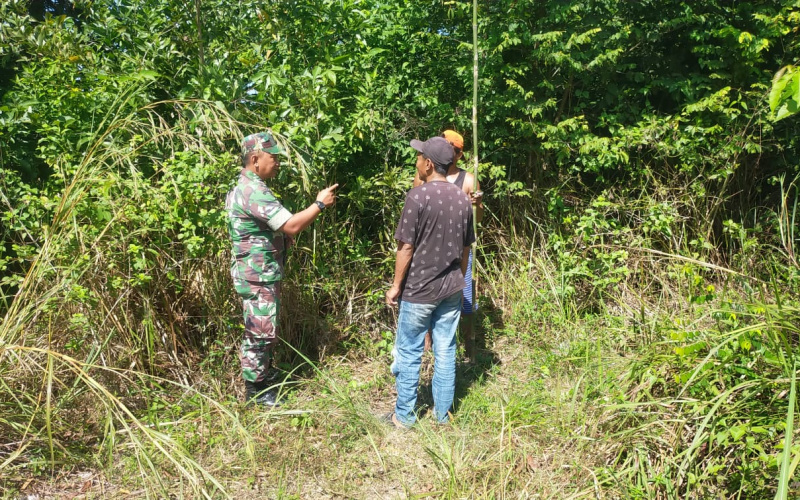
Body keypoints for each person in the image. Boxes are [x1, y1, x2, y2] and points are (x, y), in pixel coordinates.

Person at [226, 131, 338, 407]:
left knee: (264, 327)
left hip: (260, 272)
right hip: (256, 275)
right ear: (255, 159)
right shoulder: (252, 190)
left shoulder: (252, 186)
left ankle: (263, 375)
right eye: (272, 158)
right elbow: (292, 225)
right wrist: (319, 204)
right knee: (259, 330)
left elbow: (272, 226)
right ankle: (256, 391)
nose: (278, 163)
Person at [385, 136, 475, 428]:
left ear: (428, 164)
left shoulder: (418, 197)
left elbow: (405, 247)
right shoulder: (463, 198)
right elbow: (465, 249)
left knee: (410, 349)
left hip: (419, 289)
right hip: (451, 287)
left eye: (419, 157)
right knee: (446, 349)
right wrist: (460, 280)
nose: (417, 161)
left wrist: (396, 285)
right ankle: (442, 415)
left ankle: (405, 416)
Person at [414, 130, 483, 360]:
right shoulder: (426, 172)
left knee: (464, 297)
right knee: (427, 297)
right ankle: (428, 344)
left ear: (458, 154)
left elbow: (476, 220)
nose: (444, 148)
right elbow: (415, 205)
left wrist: (477, 205)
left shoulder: (469, 179)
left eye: (449, 146)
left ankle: (468, 346)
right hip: (429, 248)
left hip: (458, 250)